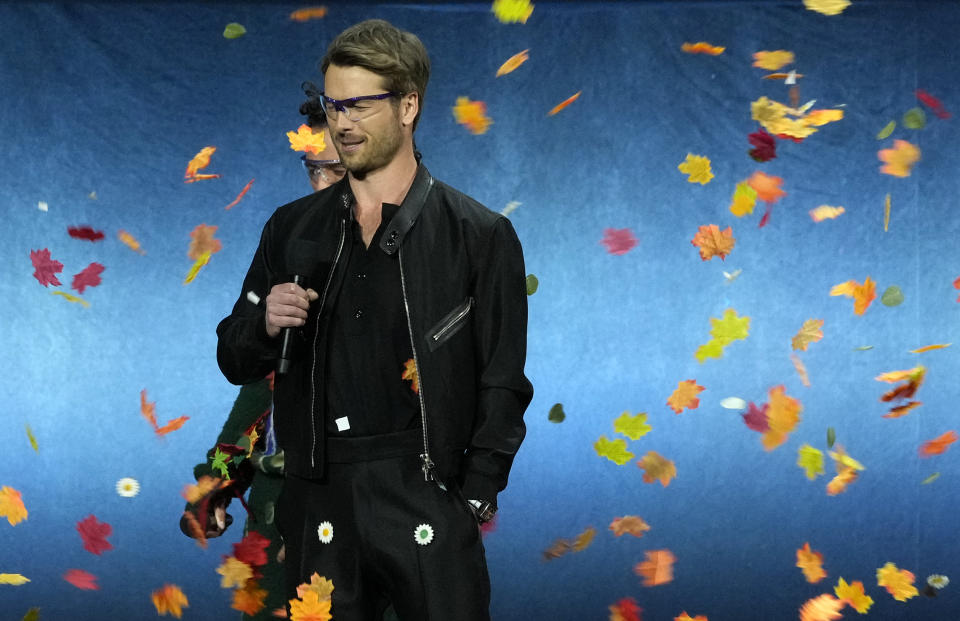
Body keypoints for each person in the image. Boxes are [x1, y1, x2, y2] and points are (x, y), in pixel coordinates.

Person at [215, 19, 532, 620]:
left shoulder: (479, 235)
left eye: (360, 104)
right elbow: (234, 357)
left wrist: (474, 497)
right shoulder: (290, 227)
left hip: (426, 491)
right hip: (318, 495)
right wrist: (264, 326)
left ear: (409, 104)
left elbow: (503, 379)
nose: (342, 122)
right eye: (335, 105)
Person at [181, 89, 345, 621]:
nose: (323, 186)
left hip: (376, 513)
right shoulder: (287, 235)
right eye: (312, 170)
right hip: (281, 518)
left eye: (338, 171)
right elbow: (254, 388)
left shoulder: (421, 247)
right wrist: (216, 484)